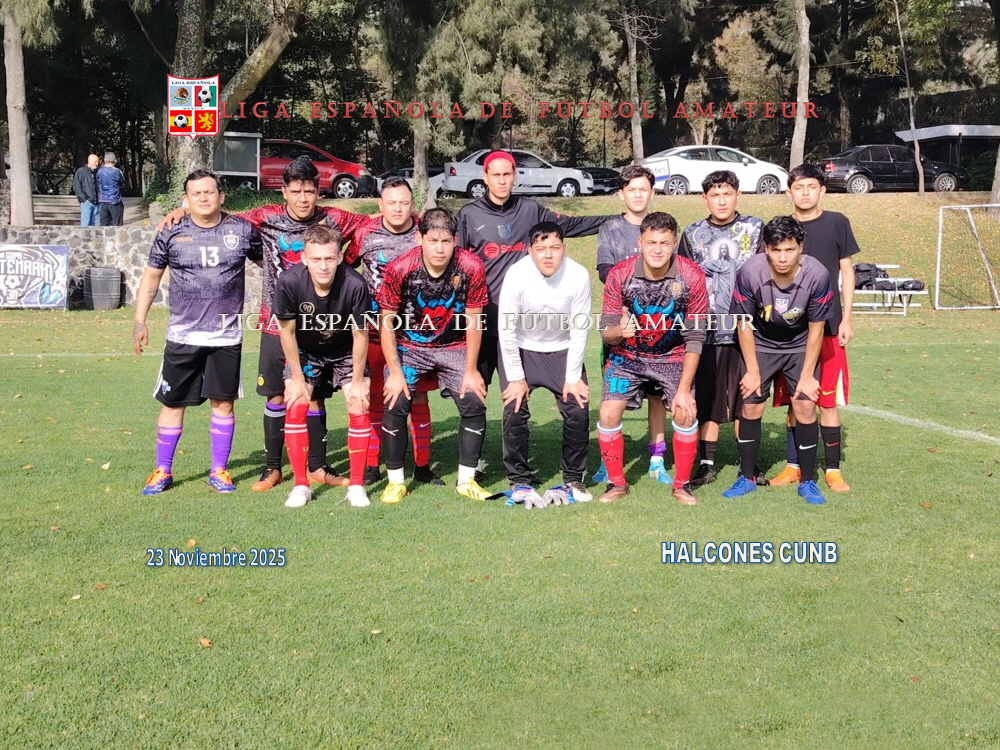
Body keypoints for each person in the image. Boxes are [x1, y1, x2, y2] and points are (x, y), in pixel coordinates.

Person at [159, 156, 375, 493]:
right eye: (295, 191)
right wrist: (184, 210)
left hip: (322, 326)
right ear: (284, 192)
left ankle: (317, 467)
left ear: (318, 191)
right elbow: (219, 216)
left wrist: (351, 260)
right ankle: (272, 467)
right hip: (278, 324)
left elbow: (374, 223)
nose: (303, 199)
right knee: (277, 396)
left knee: (313, 397)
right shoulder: (265, 217)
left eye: (309, 191)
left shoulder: (336, 219)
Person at [132, 169, 262, 495]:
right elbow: (151, 278)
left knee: (223, 405)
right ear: (186, 199)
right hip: (183, 336)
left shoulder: (242, 230)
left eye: (209, 192)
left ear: (221, 196)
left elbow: (274, 266)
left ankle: (219, 471)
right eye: (196, 193)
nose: (203, 198)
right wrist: (139, 320)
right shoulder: (171, 231)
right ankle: (162, 470)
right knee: (172, 404)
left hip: (226, 338)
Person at [455, 150, 609, 388]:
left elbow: (570, 225)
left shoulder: (529, 210)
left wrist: (618, 219)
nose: (502, 180)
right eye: (496, 175)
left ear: (514, 176)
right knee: (473, 395)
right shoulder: (469, 214)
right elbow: (457, 264)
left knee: (516, 395)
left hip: (520, 326)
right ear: (485, 177)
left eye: (507, 174)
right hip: (483, 321)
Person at [377, 208, 490, 504]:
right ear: (420, 239)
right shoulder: (400, 267)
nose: (439, 248)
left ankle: (466, 480)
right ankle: (396, 482)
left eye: (445, 241)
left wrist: (471, 370)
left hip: (453, 345)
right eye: (433, 241)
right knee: (395, 398)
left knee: (473, 399)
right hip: (410, 346)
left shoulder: (471, 266)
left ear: (455, 240)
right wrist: (395, 372)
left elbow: (474, 319)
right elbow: (386, 322)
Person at [596, 212, 708, 506]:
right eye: (651, 242)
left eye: (665, 243)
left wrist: (684, 390)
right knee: (608, 413)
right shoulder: (619, 275)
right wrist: (620, 331)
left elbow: (696, 336)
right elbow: (606, 332)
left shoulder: (692, 275)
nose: (657, 249)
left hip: (673, 355)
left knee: (685, 411)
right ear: (640, 242)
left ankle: (681, 486)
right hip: (628, 356)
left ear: (674, 244)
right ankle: (616, 483)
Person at [723, 215, 834, 505]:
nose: (782, 257)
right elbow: (743, 323)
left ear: (800, 248)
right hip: (761, 342)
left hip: (800, 345)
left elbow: (817, 328)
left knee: (805, 406)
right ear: (766, 249)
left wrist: (807, 376)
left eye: (789, 249)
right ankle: (747, 477)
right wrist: (752, 370)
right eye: (775, 250)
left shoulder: (817, 274)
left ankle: (807, 481)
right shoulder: (750, 271)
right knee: (751, 406)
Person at [769, 164, 859, 493]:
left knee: (828, 401)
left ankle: (832, 470)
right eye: (798, 187)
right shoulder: (782, 228)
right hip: (791, 331)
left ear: (822, 190)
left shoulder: (837, 222)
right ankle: (793, 466)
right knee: (796, 400)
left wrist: (847, 318)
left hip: (830, 326)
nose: (805, 193)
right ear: (789, 191)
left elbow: (846, 272)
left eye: (811, 187)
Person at [346, 176, 441, 487]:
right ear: (380, 205)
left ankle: (422, 467)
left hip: (416, 333)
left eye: (403, 202)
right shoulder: (365, 233)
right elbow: (346, 268)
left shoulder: (424, 232)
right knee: (375, 397)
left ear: (412, 204)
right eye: (391, 203)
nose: (398, 208)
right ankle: (372, 464)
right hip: (375, 331)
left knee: (418, 398)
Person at [273, 223, 373, 509]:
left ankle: (356, 486)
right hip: (306, 351)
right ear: (304, 258)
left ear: (340, 257)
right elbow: (287, 333)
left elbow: (361, 334)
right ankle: (300, 486)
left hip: (345, 350)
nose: (323, 265)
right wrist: (296, 378)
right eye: (316, 259)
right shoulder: (289, 282)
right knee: (296, 401)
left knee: (358, 402)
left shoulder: (355, 284)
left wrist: (357, 381)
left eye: (329, 258)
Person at [677, 170, 765, 487]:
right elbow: (684, 277)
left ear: (738, 195)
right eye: (715, 195)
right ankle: (707, 464)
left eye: (727, 194)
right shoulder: (693, 233)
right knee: (708, 400)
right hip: (708, 329)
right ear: (705, 198)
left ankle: (748, 463)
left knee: (746, 399)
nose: (722, 201)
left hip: (747, 329)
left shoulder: (754, 228)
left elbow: (764, 271)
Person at [497, 221, 593, 504]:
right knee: (514, 409)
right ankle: (519, 480)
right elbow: (506, 328)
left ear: (564, 248)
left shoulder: (578, 274)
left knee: (578, 409)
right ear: (530, 251)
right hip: (522, 348)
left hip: (562, 349)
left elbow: (580, 329)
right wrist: (516, 377)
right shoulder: (516, 274)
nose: (548, 255)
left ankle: (573, 478)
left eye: (555, 247)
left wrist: (573, 377)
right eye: (541, 249)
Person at [593, 164, 674, 487]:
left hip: (659, 324)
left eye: (644, 189)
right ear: (621, 194)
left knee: (657, 396)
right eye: (632, 189)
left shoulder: (663, 227)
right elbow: (605, 269)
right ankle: (608, 462)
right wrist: (628, 296)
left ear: (652, 192)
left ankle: (656, 459)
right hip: (621, 320)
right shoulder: (611, 227)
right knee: (614, 395)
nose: (638, 195)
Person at [97, 151, 126, 226]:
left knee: (104, 226)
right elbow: (123, 184)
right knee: (117, 225)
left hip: (103, 200)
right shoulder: (117, 172)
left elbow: (97, 182)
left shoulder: (99, 171)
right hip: (115, 201)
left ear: (105, 160)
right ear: (115, 160)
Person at [73, 154, 100, 227]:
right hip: (86, 202)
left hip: (96, 202)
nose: (97, 163)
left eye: (97, 161)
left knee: (95, 226)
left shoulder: (97, 172)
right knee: (85, 225)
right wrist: (84, 199)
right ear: (89, 161)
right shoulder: (81, 171)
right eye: (95, 161)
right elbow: (76, 186)